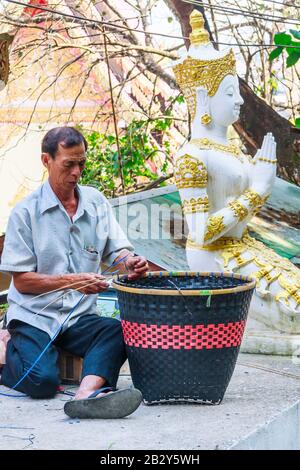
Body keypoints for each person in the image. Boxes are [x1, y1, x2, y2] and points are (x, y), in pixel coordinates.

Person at [172, 10, 300, 354]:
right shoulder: (192, 157)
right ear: (203, 98)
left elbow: (240, 216)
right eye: (230, 92)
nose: (240, 100)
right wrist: (258, 191)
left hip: (244, 246)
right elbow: (201, 232)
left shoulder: (230, 149)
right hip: (211, 256)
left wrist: (259, 180)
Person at [0, 126, 148, 419]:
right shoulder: (25, 213)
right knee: (42, 381)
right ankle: (4, 351)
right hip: (34, 316)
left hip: (78, 317)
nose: (77, 172)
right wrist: (72, 282)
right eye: (69, 164)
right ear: (46, 160)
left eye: (81, 163)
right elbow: (23, 282)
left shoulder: (95, 202)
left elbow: (116, 251)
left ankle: (87, 395)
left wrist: (129, 261)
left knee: (119, 330)